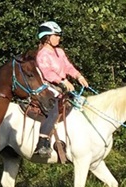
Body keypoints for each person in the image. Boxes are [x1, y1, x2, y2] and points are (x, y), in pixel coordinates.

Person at [34, 21, 88, 163]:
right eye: (56, 35)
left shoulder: (60, 52)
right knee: (53, 111)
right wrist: (63, 81)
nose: (59, 38)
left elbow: (68, 67)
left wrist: (78, 76)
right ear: (47, 37)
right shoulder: (42, 55)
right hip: (48, 89)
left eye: (59, 35)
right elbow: (48, 73)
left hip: (62, 88)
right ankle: (42, 143)